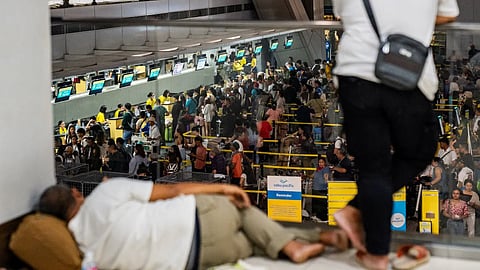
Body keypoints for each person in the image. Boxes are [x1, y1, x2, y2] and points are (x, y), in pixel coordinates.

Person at [332, 1, 459, 269]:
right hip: (407, 73)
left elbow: (341, 14)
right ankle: (362, 225)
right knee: (421, 151)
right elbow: (449, 15)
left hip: (357, 74)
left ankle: (372, 245)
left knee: (373, 168)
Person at [38, 180, 349, 270]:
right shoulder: (105, 193)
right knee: (241, 211)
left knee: (260, 241)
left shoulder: (82, 252)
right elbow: (173, 191)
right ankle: (305, 243)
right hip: (195, 218)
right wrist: (224, 188)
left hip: (194, 258)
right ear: (76, 194)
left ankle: (303, 244)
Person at [312, 157, 331, 222]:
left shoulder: (326, 169)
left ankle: (323, 218)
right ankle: (318, 216)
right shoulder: (317, 169)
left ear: (325, 163)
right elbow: (313, 176)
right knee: (317, 204)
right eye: (319, 162)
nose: (320, 164)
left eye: (322, 162)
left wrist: (325, 182)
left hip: (322, 188)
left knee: (322, 204)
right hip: (316, 188)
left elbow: (326, 178)